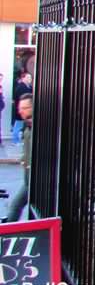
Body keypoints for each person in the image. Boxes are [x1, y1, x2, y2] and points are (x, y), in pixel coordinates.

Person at [5, 94, 33, 222]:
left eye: (25, 107)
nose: (20, 111)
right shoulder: (27, 124)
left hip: (35, 179)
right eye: (20, 108)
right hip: (28, 178)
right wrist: (23, 158)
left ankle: (5, 234)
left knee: (15, 206)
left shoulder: (37, 126)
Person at [12, 73, 31, 143]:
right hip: (21, 110)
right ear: (23, 78)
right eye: (28, 77)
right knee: (18, 125)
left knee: (23, 126)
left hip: (27, 110)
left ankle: (21, 139)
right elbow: (18, 99)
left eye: (30, 78)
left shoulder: (29, 86)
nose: (30, 79)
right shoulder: (20, 87)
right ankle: (15, 141)